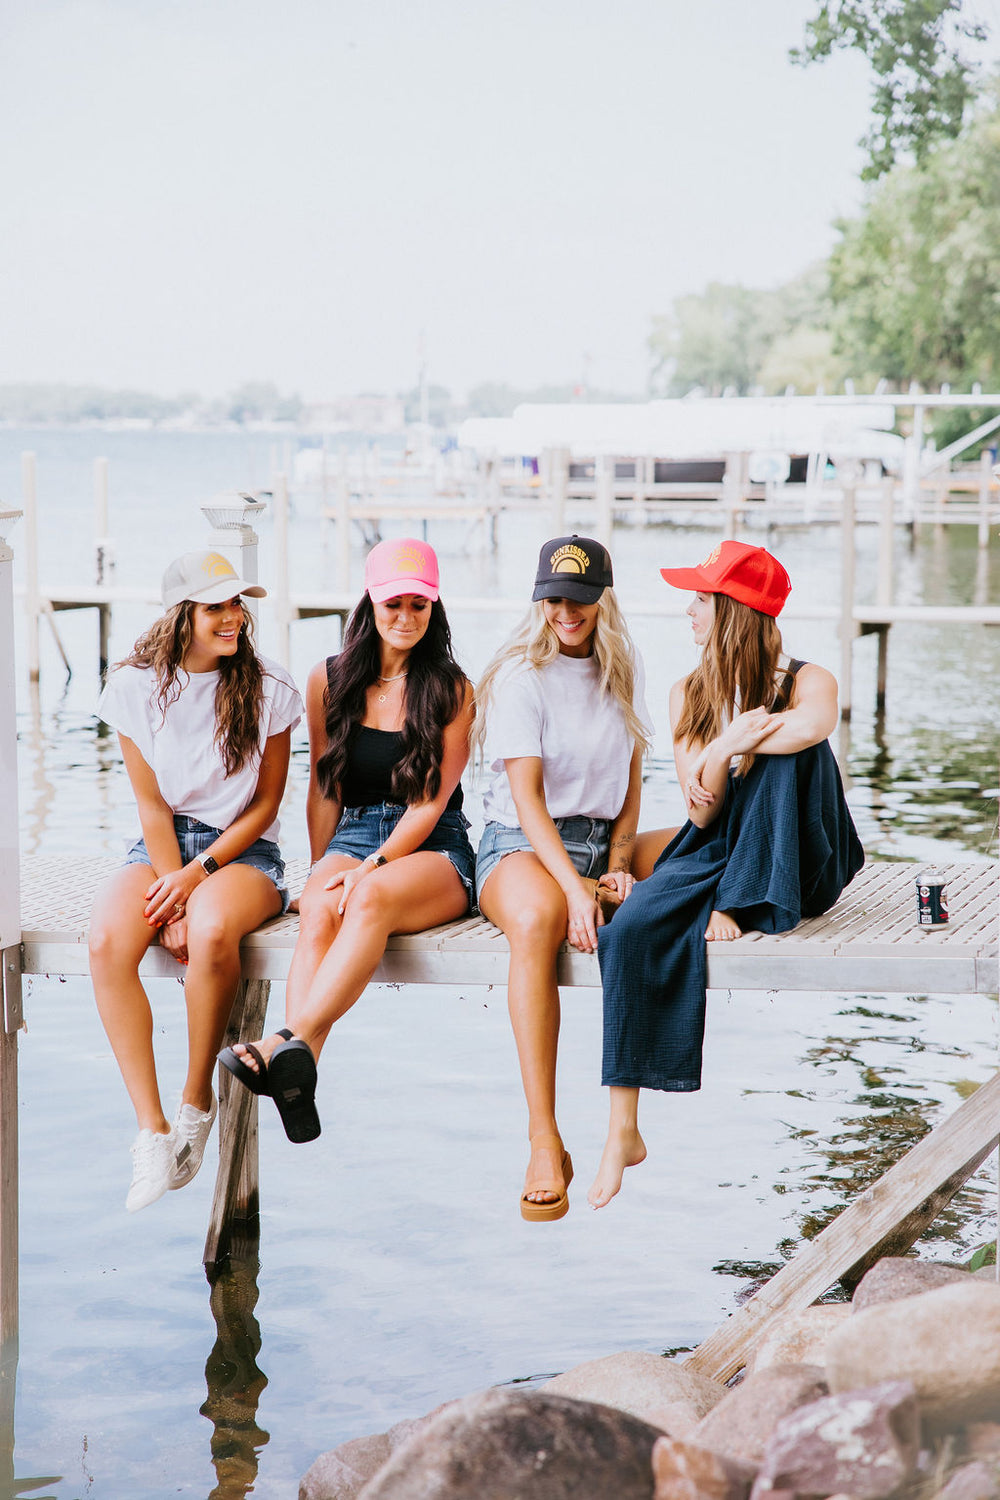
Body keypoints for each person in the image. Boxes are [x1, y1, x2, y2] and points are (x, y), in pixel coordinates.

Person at [589, 540, 864, 1209]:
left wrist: (743, 743)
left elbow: (810, 730)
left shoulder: (809, 678)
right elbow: (700, 810)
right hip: (722, 850)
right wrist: (720, 744)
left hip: (801, 862)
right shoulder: (691, 691)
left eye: (701, 601)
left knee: (788, 756)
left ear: (734, 612)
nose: (688, 612)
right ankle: (622, 1130)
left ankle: (737, 904)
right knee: (627, 931)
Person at [219, 537, 475, 1143]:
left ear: (434, 608)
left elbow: (432, 800)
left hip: (432, 845)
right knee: (319, 911)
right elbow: (324, 786)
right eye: (394, 605)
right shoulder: (328, 680)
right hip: (354, 829)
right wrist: (320, 869)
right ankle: (296, 1069)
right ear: (370, 603)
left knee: (369, 898)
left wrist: (372, 867)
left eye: (419, 605)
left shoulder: (452, 689)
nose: (406, 618)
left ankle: (289, 1040)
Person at [89, 550, 303, 1212]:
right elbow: (152, 809)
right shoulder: (133, 686)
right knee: (105, 943)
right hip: (162, 846)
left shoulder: (271, 686)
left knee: (210, 930)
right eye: (216, 606)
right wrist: (170, 885)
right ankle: (152, 1130)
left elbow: (266, 807)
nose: (234, 617)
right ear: (183, 615)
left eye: (238, 603)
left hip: (242, 855)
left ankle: (195, 1102)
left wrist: (195, 878)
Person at [472, 535, 651, 1221]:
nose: (566, 612)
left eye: (578, 599)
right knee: (540, 921)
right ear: (538, 598)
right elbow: (526, 802)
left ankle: (627, 1124)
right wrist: (576, 889)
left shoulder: (619, 670)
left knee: (704, 856)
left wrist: (619, 867)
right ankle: (543, 1136)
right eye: (553, 598)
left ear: (602, 598)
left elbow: (633, 785)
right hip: (520, 845)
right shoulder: (522, 677)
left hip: (599, 844)